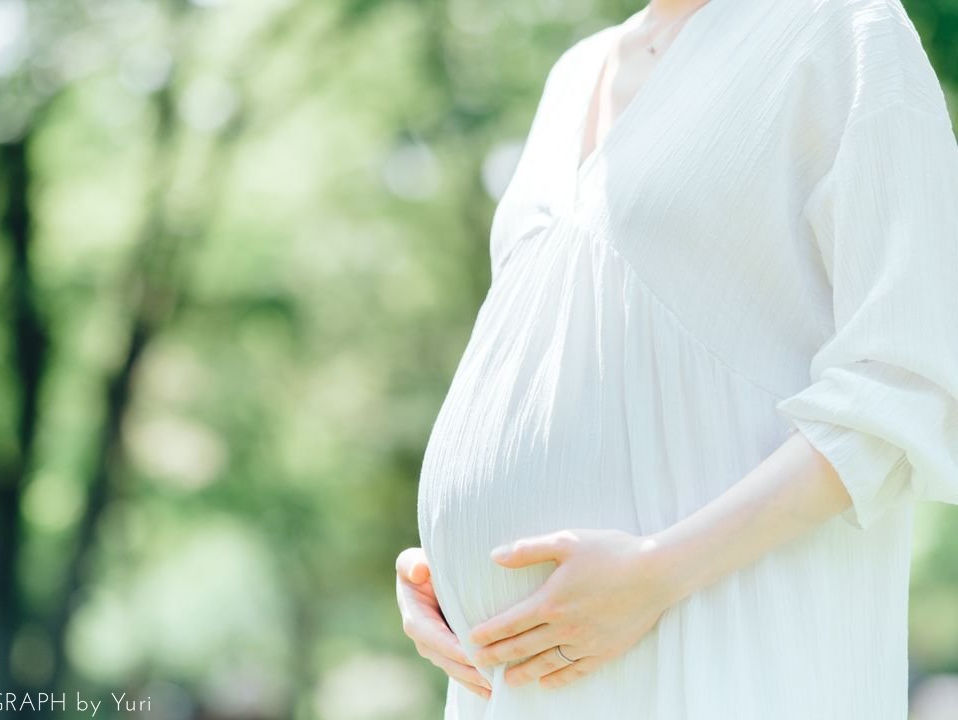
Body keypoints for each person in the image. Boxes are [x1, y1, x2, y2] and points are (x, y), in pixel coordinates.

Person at [396, 0, 958, 717]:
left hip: (721, 645)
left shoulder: (841, 26)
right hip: (513, 678)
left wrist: (658, 573)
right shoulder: (574, 75)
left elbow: (909, 380)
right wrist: (443, 571)